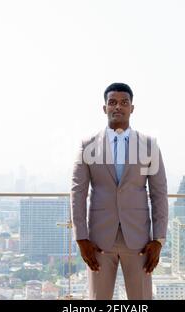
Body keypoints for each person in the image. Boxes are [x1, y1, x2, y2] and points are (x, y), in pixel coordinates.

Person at [70, 82, 168, 300]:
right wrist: (81, 237)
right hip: (98, 241)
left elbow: (159, 193)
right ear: (104, 108)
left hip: (140, 240)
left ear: (132, 108)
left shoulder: (149, 145)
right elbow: (78, 192)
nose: (118, 107)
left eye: (124, 103)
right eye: (112, 102)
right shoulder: (88, 146)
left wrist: (158, 240)